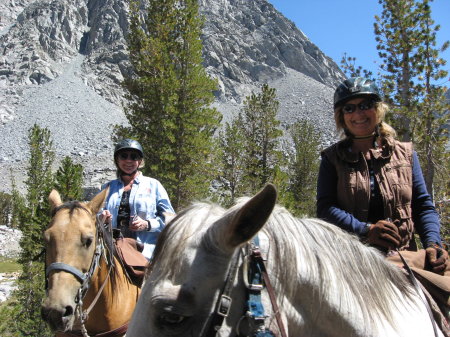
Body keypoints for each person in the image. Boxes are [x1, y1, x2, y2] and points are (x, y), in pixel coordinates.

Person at [316, 77, 449, 318]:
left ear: (377, 109)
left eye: (365, 104)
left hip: (406, 255)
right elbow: (325, 209)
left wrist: (433, 244)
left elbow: (423, 205)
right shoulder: (331, 159)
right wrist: (365, 230)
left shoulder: (405, 154)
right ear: (341, 116)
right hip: (354, 257)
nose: (358, 113)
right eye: (349, 108)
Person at [100, 138, 175, 260]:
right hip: (112, 252)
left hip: (145, 253)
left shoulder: (154, 185)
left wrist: (147, 224)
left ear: (140, 161)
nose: (128, 160)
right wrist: (101, 217)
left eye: (134, 157)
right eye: (123, 156)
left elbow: (170, 219)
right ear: (117, 160)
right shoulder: (107, 187)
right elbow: (94, 214)